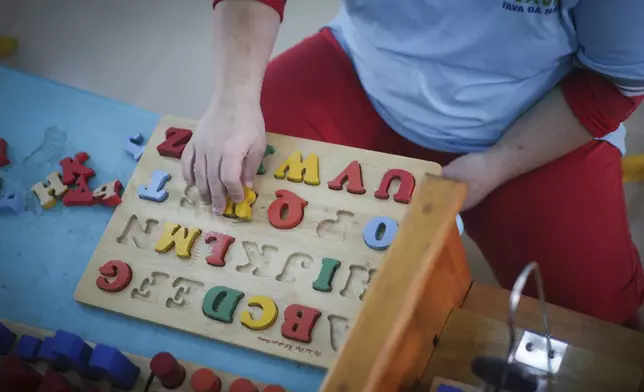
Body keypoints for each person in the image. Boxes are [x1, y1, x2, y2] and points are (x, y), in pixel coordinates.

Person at [181, 0, 644, 329]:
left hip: (531, 118)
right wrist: (233, 99)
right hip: (360, 73)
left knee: (596, 320)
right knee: (225, 220)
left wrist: (498, 165)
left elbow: (613, 83)